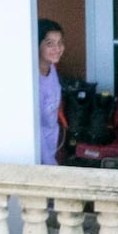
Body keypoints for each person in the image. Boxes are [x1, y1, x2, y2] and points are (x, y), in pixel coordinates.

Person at [38, 18, 66, 165]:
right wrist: (49, 163)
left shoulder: (51, 68)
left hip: (51, 146)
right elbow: (35, 129)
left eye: (60, 42)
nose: (57, 48)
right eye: (50, 43)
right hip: (39, 154)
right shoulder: (33, 82)